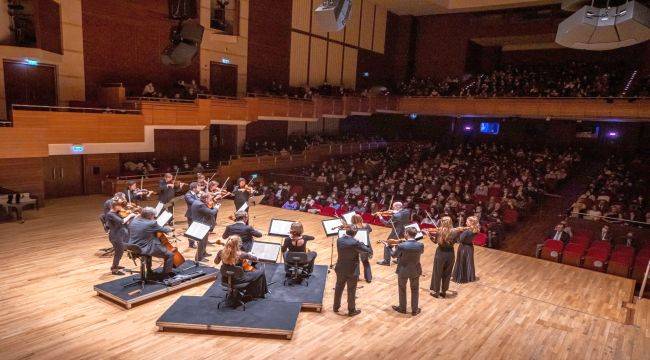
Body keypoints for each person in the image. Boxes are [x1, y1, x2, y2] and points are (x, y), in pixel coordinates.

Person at [333, 225, 371, 316]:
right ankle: (351, 310)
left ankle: (335, 307)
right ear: (355, 233)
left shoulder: (339, 240)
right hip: (352, 270)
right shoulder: (355, 243)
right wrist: (360, 243)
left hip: (340, 267)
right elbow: (367, 250)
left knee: (338, 287)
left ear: (346, 232)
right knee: (351, 290)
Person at [214, 235, 268, 300]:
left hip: (225, 279)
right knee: (261, 270)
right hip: (239, 280)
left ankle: (250, 292)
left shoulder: (221, 252)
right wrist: (251, 255)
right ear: (237, 245)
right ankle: (258, 293)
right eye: (240, 243)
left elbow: (216, 262)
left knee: (249, 271)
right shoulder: (241, 254)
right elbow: (256, 259)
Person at [127, 207, 176, 278]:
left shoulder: (134, 220)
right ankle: (166, 275)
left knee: (151, 248)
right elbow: (164, 229)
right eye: (154, 215)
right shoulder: (151, 223)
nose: (154, 217)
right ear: (150, 215)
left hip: (132, 246)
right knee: (169, 254)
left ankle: (149, 272)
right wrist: (170, 229)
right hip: (143, 248)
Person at [387, 227, 424, 316]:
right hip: (415, 270)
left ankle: (402, 308)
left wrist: (388, 247)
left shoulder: (401, 246)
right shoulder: (420, 245)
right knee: (415, 289)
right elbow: (421, 252)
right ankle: (414, 310)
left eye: (405, 233)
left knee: (402, 288)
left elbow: (394, 256)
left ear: (407, 234)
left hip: (403, 270)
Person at [427, 217, 457, 298]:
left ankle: (436, 291)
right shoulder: (455, 231)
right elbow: (455, 241)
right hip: (450, 253)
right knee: (447, 273)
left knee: (437, 272)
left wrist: (429, 235)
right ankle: (443, 291)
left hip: (440, 253)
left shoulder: (439, 231)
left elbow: (435, 241)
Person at [105, 201, 137, 275]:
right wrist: (130, 215)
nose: (121, 208)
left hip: (119, 235)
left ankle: (115, 265)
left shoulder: (115, 213)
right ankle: (114, 269)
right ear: (115, 206)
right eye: (120, 206)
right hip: (115, 236)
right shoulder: (110, 214)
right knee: (119, 252)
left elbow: (123, 219)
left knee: (119, 252)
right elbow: (121, 221)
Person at [377, 202, 411, 266]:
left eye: (393, 207)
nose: (393, 208)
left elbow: (387, 223)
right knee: (399, 244)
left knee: (388, 244)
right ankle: (399, 260)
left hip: (396, 232)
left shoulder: (395, 215)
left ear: (397, 207)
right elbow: (401, 213)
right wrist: (394, 211)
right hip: (404, 232)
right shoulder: (407, 211)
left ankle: (386, 261)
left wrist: (380, 217)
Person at [190, 193, 220, 262]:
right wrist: (216, 207)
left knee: (205, 240)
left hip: (203, 224)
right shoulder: (200, 205)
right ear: (206, 199)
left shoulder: (198, 201)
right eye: (210, 199)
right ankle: (199, 257)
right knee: (201, 242)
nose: (211, 200)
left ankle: (203, 253)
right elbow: (212, 212)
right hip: (201, 225)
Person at [452, 216, 479, 283]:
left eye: (467, 221)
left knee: (461, 262)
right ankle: (469, 277)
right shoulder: (475, 230)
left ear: (471, 222)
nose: (466, 222)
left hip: (463, 248)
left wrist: (458, 232)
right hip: (470, 247)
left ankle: (460, 278)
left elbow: (459, 240)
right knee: (469, 262)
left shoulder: (467, 231)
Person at [350, 214, 373, 282]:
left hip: (356, 247)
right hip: (365, 246)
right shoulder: (367, 225)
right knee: (366, 262)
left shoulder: (352, 227)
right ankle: (368, 278)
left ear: (352, 220)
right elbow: (370, 230)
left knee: (356, 262)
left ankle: (356, 277)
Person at [183, 182, 200, 248]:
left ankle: (197, 242)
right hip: (191, 214)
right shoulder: (188, 195)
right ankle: (191, 244)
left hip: (196, 213)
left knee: (197, 228)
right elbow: (194, 202)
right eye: (198, 187)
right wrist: (202, 199)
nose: (200, 188)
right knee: (191, 229)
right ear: (194, 188)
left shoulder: (194, 193)